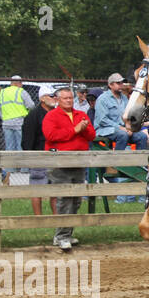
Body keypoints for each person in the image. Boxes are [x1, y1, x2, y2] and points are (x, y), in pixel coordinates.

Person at [43, 86, 95, 252]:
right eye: (65, 98)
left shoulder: (81, 114)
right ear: (58, 100)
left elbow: (92, 135)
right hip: (60, 163)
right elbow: (51, 136)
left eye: (71, 98)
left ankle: (66, 233)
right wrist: (74, 130)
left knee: (76, 199)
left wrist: (84, 128)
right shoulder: (51, 116)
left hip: (79, 161)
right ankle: (62, 236)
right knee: (64, 199)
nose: (69, 101)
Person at [94, 72, 149, 151]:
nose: (121, 84)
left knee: (142, 136)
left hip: (124, 129)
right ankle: (117, 161)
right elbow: (102, 120)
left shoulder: (124, 98)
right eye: (118, 83)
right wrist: (121, 128)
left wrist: (129, 128)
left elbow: (128, 115)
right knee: (123, 135)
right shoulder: (102, 99)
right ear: (110, 85)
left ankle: (139, 162)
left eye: (122, 82)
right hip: (105, 129)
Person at [21, 89, 56, 215]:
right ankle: (38, 219)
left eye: (55, 95)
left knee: (56, 190)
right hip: (38, 155)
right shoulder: (33, 115)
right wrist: (30, 157)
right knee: (37, 188)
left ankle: (58, 219)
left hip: (54, 155)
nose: (54, 98)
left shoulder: (56, 113)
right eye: (51, 96)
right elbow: (28, 139)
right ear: (42, 98)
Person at [0, 75, 35, 183]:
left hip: (6, 122)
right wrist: (27, 115)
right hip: (20, 122)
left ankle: (11, 168)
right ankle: (23, 168)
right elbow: (31, 105)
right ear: (19, 83)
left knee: (9, 147)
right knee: (21, 145)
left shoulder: (3, 92)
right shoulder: (21, 92)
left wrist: (4, 117)